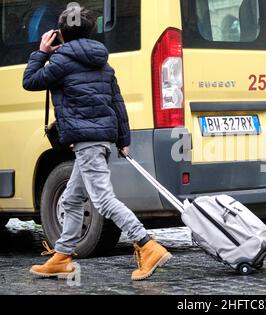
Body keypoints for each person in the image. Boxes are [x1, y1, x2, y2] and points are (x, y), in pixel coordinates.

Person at [22, 7, 172, 281]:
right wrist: (123, 139)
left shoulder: (60, 61)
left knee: (103, 200)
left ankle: (148, 246)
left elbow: (30, 81)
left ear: (60, 34)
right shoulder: (102, 62)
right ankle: (62, 256)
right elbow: (117, 101)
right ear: (92, 30)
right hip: (99, 140)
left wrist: (42, 51)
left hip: (86, 142)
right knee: (71, 197)